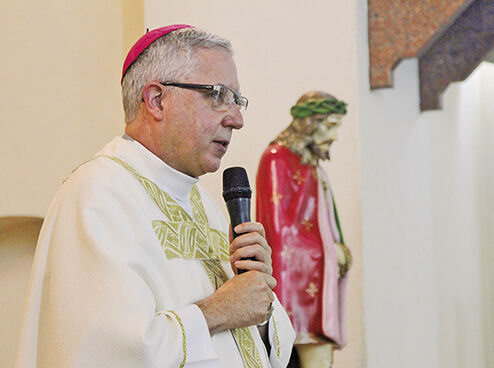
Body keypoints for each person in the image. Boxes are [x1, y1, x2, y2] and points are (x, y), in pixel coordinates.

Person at [16, 24, 295, 368]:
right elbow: (103, 353)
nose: (236, 119)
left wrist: (259, 295)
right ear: (156, 100)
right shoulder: (97, 193)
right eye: (219, 95)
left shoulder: (202, 204)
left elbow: (255, 342)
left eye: (237, 101)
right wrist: (220, 310)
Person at [256, 91, 352, 368]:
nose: (334, 136)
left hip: (316, 286)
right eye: (330, 126)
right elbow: (280, 233)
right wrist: (329, 253)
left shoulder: (310, 162)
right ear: (310, 122)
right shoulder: (278, 158)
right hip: (298, 295)